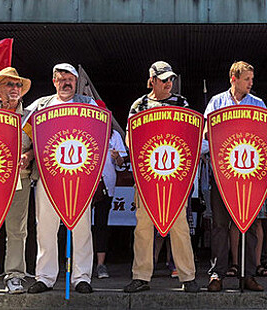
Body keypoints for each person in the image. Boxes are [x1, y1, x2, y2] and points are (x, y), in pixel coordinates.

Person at [123, 61, 200, 293]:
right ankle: (141, 277)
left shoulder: (181, 102)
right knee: (143, 226)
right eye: (164, 79)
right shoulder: (139, 104)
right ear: (152, 80)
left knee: (180, 226)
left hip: (175, 176)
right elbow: (130, 140)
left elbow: (190, 135)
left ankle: (188, 277)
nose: (169, 84)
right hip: (147, 175)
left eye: (171, 79)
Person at [26, 63, 97, 294]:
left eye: (70, 79)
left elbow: (101, 131)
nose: (66, 83)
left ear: (76, 82)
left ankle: (82, 277)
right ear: (54, 81)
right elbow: (26, 134)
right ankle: (45, 277)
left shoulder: (88, 104)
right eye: (61, 79)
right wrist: (27, 153)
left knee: (81, 227)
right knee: (45, 227)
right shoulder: (40, 105)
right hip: (48, 177)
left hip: (80, 176)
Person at [204, 61, 264, 292]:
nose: (251, 83)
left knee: (248, 226)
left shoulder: (258, 104)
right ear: (234, 78)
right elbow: (206, 134)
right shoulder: (216, 102)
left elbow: (264, 138)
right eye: (247, 79)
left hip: (249, 177)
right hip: (221, 176)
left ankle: (248, 274)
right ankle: (217, 274)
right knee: (219, 225)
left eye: (251, 79)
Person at [0, 67, 34, 294]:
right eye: (9, 85)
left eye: (17, 85)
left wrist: (28, 156)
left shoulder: (28, 117)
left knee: (17, 230)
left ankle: (14, 275)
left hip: (20, 179)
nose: (15, 89)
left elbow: (38, 146)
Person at [93, 100, 127, 279]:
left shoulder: (113, 136)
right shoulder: (83, 131)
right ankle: (79, 264)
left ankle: (100, 265)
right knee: (80, 226)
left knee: (101, 224)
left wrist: (117, 158)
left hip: (106, 185)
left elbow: (122, 164)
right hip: (84, 185)